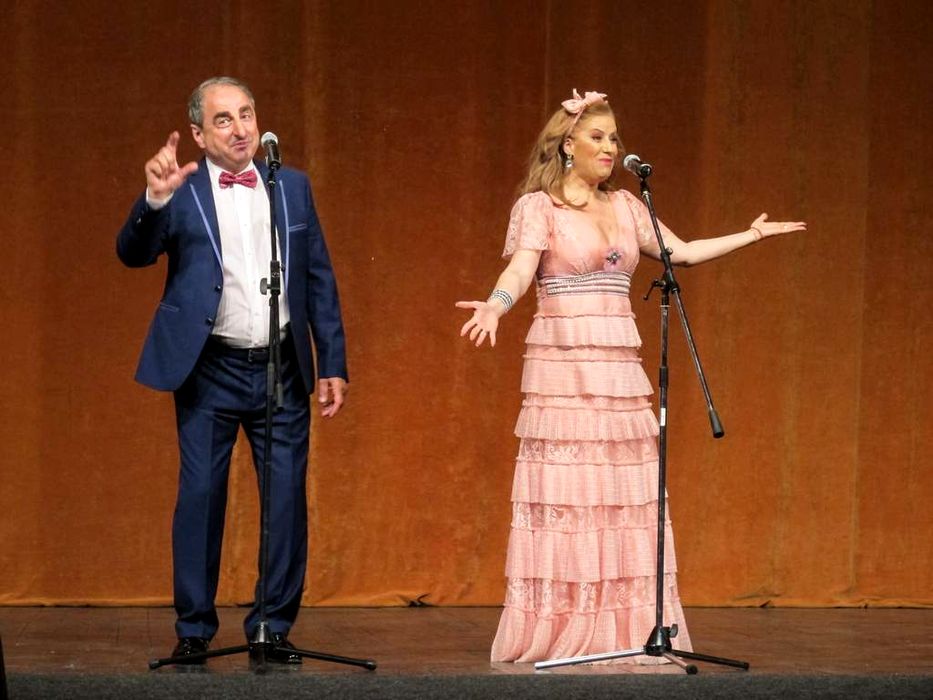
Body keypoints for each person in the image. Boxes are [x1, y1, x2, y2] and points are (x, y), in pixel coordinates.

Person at [457, 89, 805, 663]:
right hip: (564, 370)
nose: (610, 148)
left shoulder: (626, 205)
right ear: (566, 144)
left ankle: (624, 629)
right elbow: (519, 270)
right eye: (597, 137)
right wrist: (496, 306)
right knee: (573, 495)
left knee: (619, 496)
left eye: (614, 138)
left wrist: (751, 235)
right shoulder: (539, 207)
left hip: (618, 373)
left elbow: (681, 253)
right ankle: (567, 628)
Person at [117, 76, 348, 664]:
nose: (240, 128)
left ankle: (271, 625)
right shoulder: (183, 190)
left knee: (285, 499)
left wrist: (332, 361)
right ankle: (194, 627)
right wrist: (154, 201)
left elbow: (318, 276)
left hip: (281, 366)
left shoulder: (291, 185)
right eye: (224, 119)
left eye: (246, 114)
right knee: (201, 495)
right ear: (198, 134)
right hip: (209, 368)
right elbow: (133, 254)